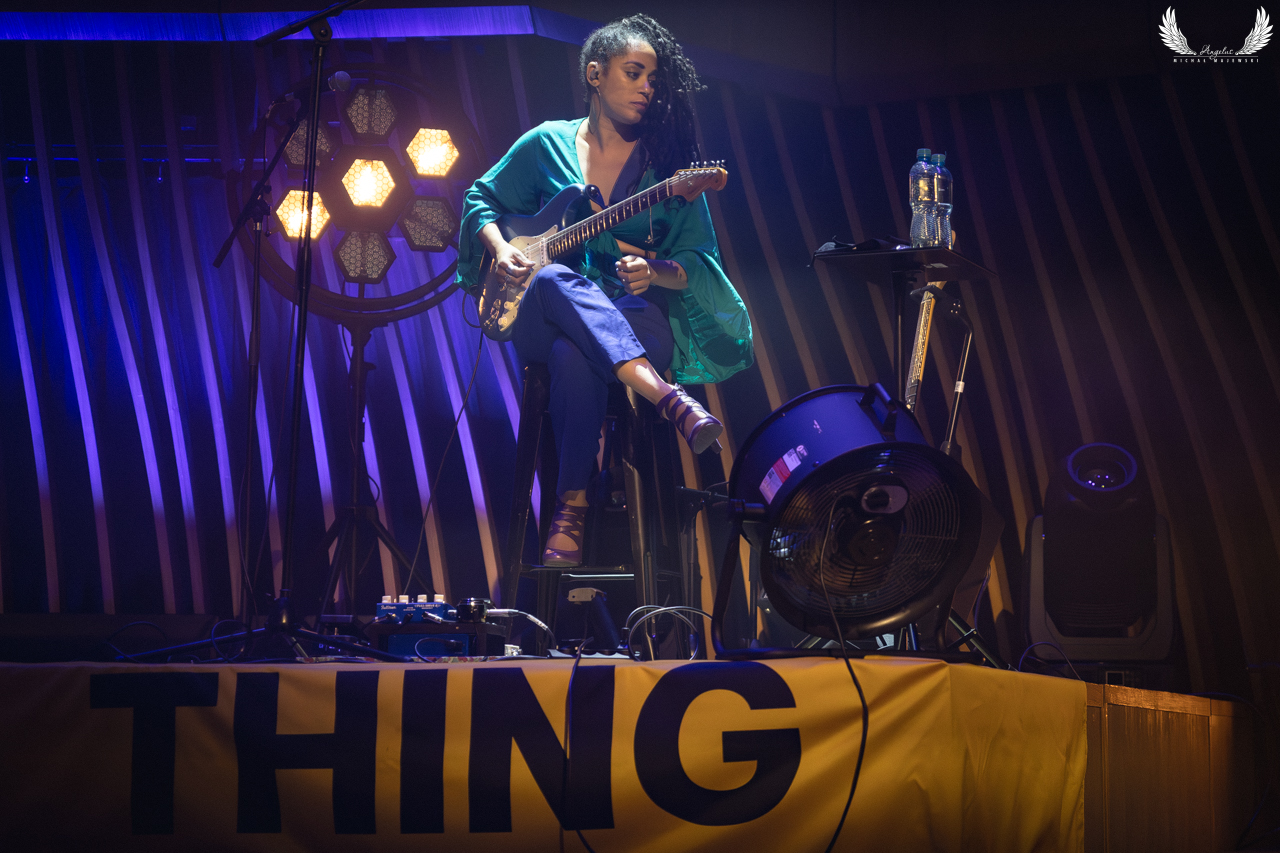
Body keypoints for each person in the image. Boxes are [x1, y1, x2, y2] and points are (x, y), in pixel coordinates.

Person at [456, 14, 752, 566]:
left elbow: (697, 261)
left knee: (574, 355)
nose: (647, 88)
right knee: (551, 278)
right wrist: (500, 248)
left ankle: (570, 507)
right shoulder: (546, 143)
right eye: (634, 73)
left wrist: (656, 271)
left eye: (653, 79)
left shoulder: (667, 169)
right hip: (540, 311)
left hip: (636, 317)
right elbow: (479, 199)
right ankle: (668, 398)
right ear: (595, 74)